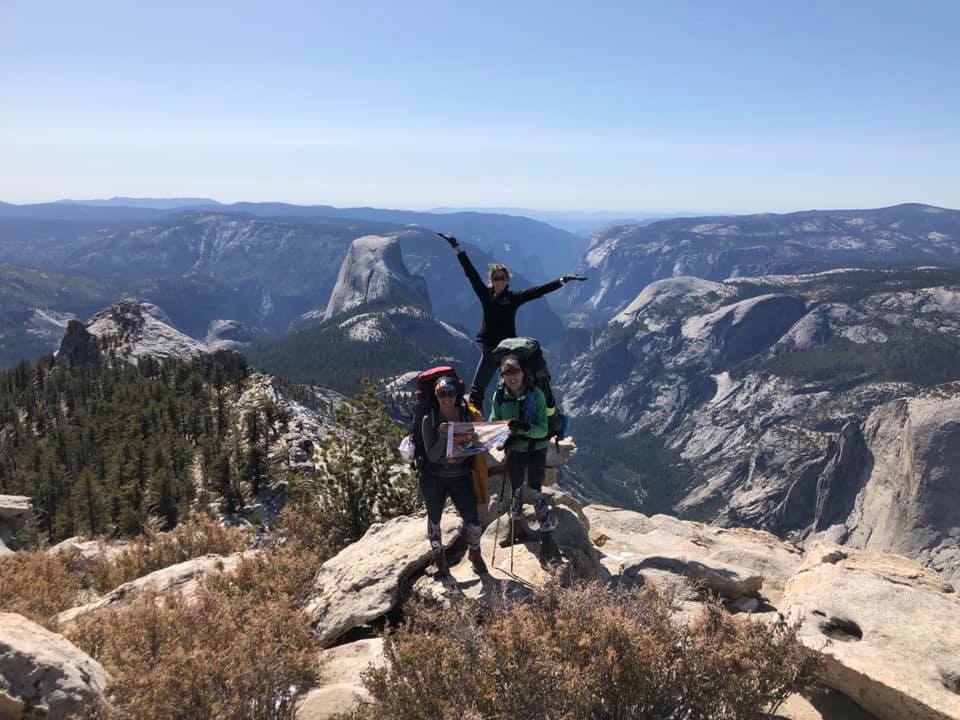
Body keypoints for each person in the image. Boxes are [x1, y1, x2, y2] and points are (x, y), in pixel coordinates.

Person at [438, 232, 585, 412]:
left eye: (503, 277)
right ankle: (475, 423)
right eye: (496, 278)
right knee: (477, 390)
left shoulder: (513, 298)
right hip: (489, 351)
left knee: (521, 385)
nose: (500, 281)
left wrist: (562, 280)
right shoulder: (485, 295)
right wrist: (456, 248)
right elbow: (471, 273)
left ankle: (532, 416)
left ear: (508, 281)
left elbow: (537, 291)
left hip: (508, 350)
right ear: (491, 280)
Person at [489, 354, 561, 563]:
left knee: (536, 489)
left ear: (523, 373)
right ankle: (516, 527)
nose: (512, 378)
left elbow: (543, 430)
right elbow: (495, 422)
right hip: (516, 448)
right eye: (507, 373)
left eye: (516, 372)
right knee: (516, 487)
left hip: (536, 446)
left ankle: (547, 538)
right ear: (502, 376)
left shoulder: (535, 394)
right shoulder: (500, 396)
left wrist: (525, 429)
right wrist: (505, 437)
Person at [419, 376, 488, 576]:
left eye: (450, 394)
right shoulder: (429, 419)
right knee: (434, 519)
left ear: (456, 395)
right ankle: (439, 558)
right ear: (436, 395)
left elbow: (474, 444)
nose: (446, 398)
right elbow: (431, 455)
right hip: (435, 476)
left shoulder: (466, 415)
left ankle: (475, 553)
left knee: (473, 521)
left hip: (460, 475)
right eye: (442, 394)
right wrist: (443, 437)